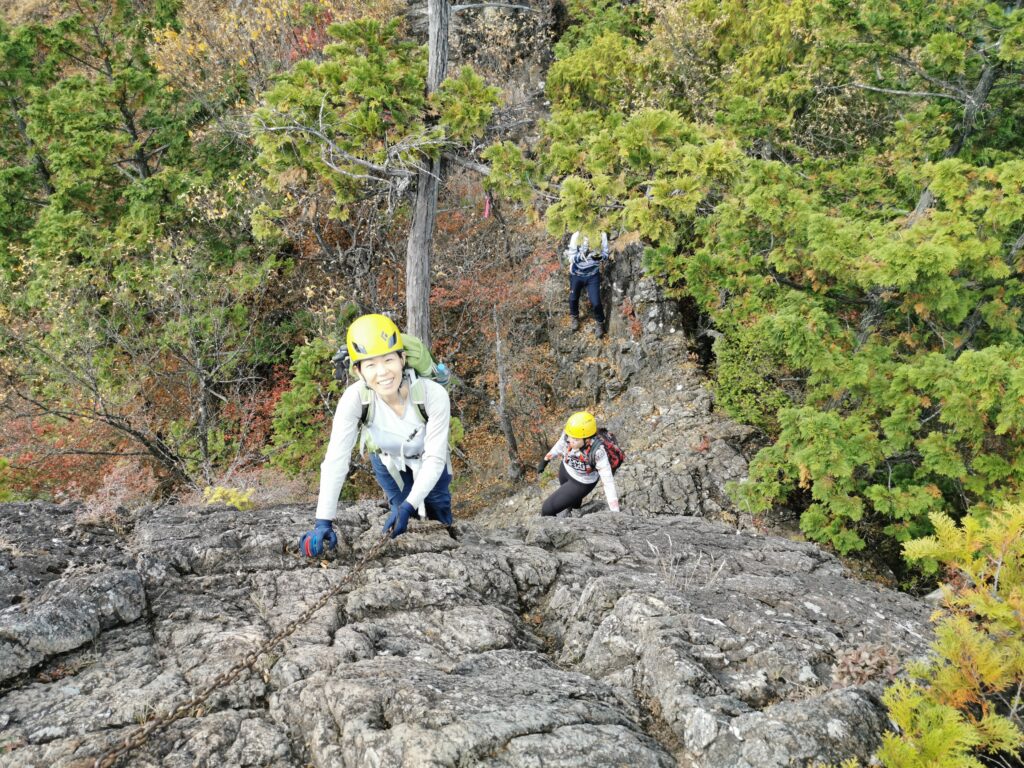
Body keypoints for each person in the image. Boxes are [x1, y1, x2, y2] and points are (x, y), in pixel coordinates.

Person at [299, 314, 453, 556]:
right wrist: (323, 521)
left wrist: (410, 506)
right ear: (358, 371)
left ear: (402, 359)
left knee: (439, 508)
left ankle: (448, 547)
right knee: (400, 518)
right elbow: (336, 460)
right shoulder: (355, 398)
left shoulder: (432, 394)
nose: (382, 372)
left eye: (389, 360)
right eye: (370, 365)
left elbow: (434, 459)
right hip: (386, 462)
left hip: (428, 458)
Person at [537, 411, 620, 517]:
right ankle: (573, 512)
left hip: (581, 482)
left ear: (587, 440)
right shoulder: (570, 434)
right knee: (572, 502)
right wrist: (546, 459)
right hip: (565, 470)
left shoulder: (598, 452)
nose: (570, 441)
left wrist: (615, 512)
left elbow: (608, 482)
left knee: (547, 509)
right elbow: (560, 445)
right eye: (569, 436)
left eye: (575, 439)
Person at [564, 230, 609, 337]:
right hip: (577, 274)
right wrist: (581, 256)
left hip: (593, 275)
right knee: (573, 298)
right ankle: (574, 317)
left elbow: (606, 255)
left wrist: (598, 257)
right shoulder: (576, 235)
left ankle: (600, 323)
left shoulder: (601, 234)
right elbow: (570, 258)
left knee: (596, 302)